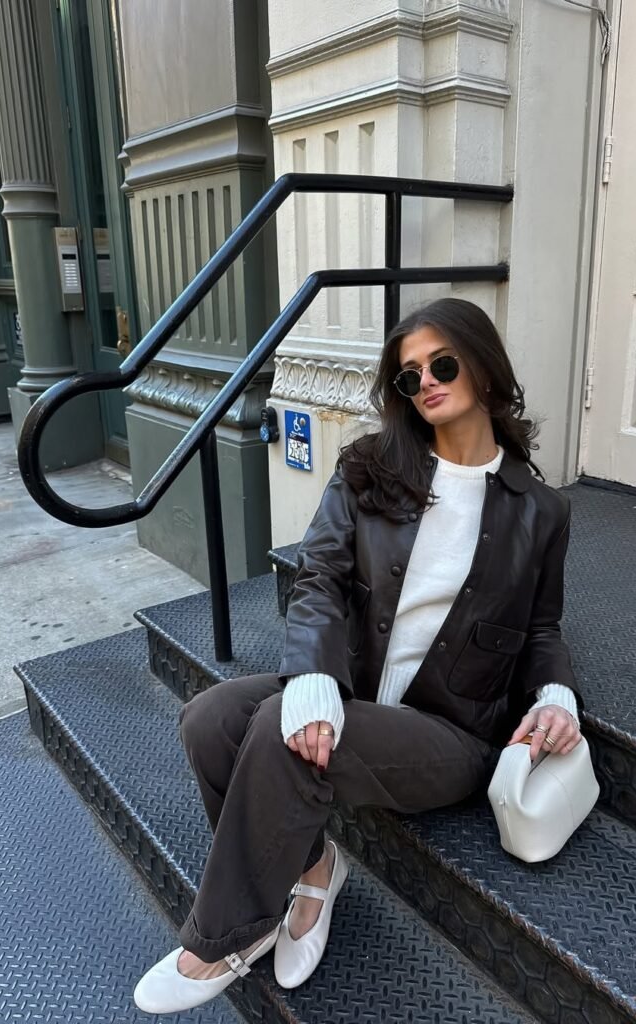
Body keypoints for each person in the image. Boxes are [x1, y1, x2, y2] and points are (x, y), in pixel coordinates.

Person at [133, 297, 583, 1015]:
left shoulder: (541, 510)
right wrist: (314, 672)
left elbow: (541, 629)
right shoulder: (372, 468)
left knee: (281, 732)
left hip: (450, 731)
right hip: (362, 694)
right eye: (408, 377)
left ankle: (226, 938)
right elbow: (319, 578)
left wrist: (556, 697)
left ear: (485, 366)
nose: (426, 383)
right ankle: (314, 867)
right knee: (210, 717)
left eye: (442, 363)